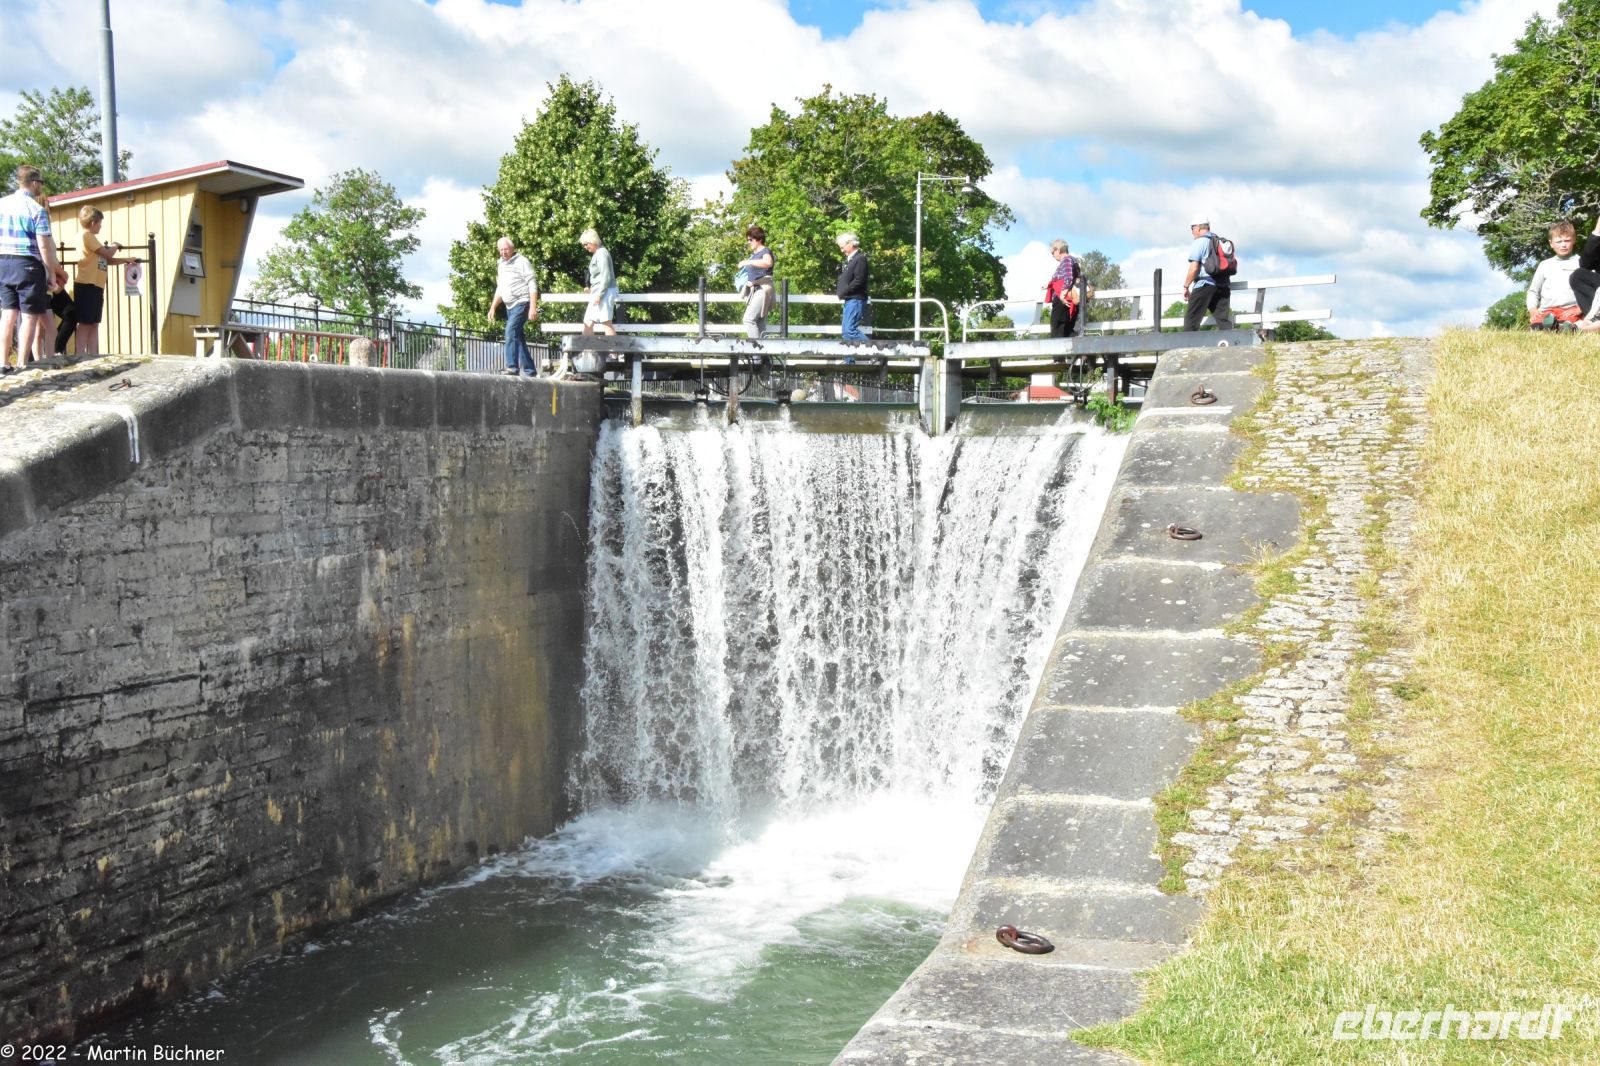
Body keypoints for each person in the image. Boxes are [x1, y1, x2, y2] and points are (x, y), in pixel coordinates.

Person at [1, 164, 69, 373]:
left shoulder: (2, 204)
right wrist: (50, 273)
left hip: (3, 262)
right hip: (27, 264)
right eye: (40, 182)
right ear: (34, 182)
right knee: (29, 316)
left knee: (8, 314)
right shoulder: (36, 210)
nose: (41, 187)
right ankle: (22, 363)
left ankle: (3, 363)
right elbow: (44, 245)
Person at [72, 205, 128, 357]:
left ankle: (93, 354)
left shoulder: (92, 239)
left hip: (96, 285)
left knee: (95, 322)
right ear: (92, 223)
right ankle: (80, 355)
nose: (100, 227)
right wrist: (115, 245)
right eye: (99, 224)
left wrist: (126, 260)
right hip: (87, 284)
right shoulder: (87, 236)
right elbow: (108, 253)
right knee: (85, 323)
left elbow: (106, 260)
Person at [487, 236, 540, 375]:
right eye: (501, 250)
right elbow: (501, 288)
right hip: (509, 305)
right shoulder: (501, 265)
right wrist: (493, 307)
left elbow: (532, 284)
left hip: (522, 302)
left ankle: (512, 366)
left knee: (510, 331)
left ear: (512, 248)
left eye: (506, 249)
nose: (503, 252)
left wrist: (533, 307)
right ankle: (530, 370)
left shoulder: (522, 261)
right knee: (519, 338)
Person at [1182, 214, 1234, 332]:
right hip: (1223, 286)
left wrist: (1186, 286)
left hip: (1205, 285)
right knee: (1223, 321)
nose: (1192, 232)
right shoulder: (1219, 241)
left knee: (1191, 321)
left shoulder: (1200, 242)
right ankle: (1234, 346)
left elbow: (1194, 268)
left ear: (1198, 228)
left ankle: (1189, 349)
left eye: (1192, 228)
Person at [736, 224, 775, 339]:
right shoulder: (755, 255)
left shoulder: (765, 251)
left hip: (762, 290)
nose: (749, 242)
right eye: (748, 240)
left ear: (759, 239)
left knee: (748, 320)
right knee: (759, 323)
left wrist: (748, 262)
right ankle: (765, 355)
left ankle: (757, 354)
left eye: (751, 239)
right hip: (756, 290)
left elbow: (768, 263)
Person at [580, 228, 617, 337]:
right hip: (599, 292)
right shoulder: (597, 254)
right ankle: (587, 352)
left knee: (606, 323)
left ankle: (615, 354)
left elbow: (606, 276)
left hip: (605, 292)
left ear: (593, 241)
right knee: (588, 322)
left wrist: (599, 295)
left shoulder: (601, 253)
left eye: (586, 244)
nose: (585, 247)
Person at [836, 232, 869, 341]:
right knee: (846, 332)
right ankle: (848, 359)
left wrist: (845, 291)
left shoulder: (860, 259)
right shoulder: (852, 260)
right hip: (850, 300)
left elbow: (859, 280)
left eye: (842, 247)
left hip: (855, 299)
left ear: (850, 244)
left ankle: (877, 353)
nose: (842, 250)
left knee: (850, 330)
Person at [1044, 238, 1079, 338]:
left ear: (1058, 250)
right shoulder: (1073, 260)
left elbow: (1068, 278)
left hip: (1062, 301)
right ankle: (1086, 351)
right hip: (1070, 301)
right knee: (1067, 332)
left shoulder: (1066, 260)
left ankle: (1059, 354)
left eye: (1052, 252)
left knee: (1056, 331)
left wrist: (1062, 295)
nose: (1052, 255)